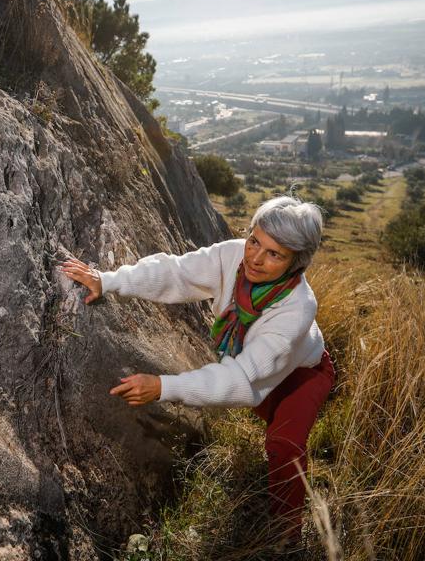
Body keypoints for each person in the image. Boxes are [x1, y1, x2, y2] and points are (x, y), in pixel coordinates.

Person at [60, 195, 334, 545]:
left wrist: (163, 387)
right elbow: (177, 272)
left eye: (274, 254)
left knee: (283, 441)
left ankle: (285, 533)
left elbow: (239, 379)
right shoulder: (232, 256)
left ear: (297, 262)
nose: (255, 257)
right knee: (266, 414)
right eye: (255, 241)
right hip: (260, 369)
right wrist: (108, 280)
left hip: (304, 373)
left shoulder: (296, 309)